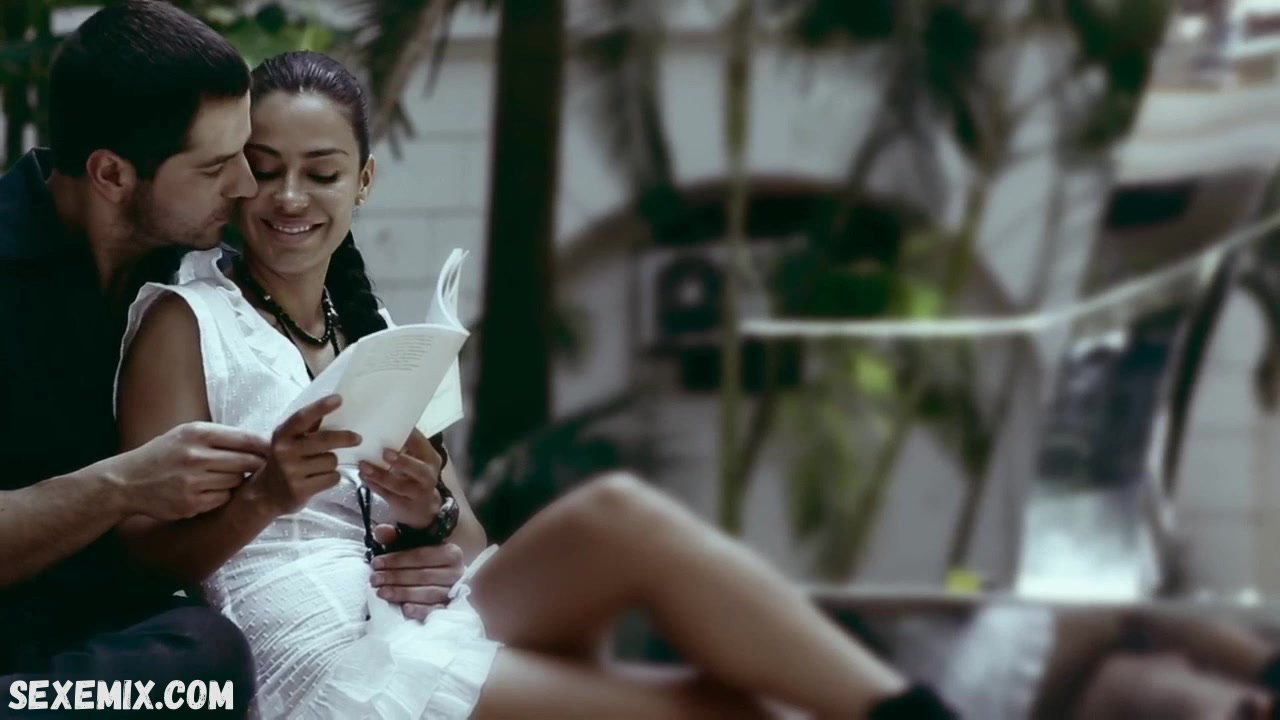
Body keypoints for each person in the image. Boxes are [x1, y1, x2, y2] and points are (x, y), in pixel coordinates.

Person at [114, 50, 959, 720]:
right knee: (715, 709)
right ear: (236, 176)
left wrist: (428, 514)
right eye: (264, 169)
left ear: (363, 181)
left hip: (414, 609)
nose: (290, 197)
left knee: (620, 513)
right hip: (314, 652)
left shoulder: (383, 335)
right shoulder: (186, 320)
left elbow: (470, 541)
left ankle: (910, 710)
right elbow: (142, 556)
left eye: (323, 172)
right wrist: (265, 496)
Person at [0, 4, 506, 716]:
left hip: (127, 635)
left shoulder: (198, 256)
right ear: (112, 174)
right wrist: (122, 485)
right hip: (22, 656)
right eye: (221, 166)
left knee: (207, 657)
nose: (247, 187)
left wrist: (430, 529)